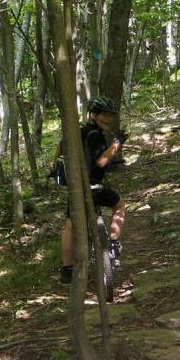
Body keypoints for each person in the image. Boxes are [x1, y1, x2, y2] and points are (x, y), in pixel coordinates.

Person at [59, 96, 127, 284]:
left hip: (76, 187)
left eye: (110, 116)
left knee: (70, 226)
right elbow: (102, 161)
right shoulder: (95, 135)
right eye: (104, 115)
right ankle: (112, 243)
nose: (108, 119)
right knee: (119, 204)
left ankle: (67, 269)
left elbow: (61, 151)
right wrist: (117, 144)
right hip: (92, 187)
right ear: (94, 115)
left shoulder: (77, 133)